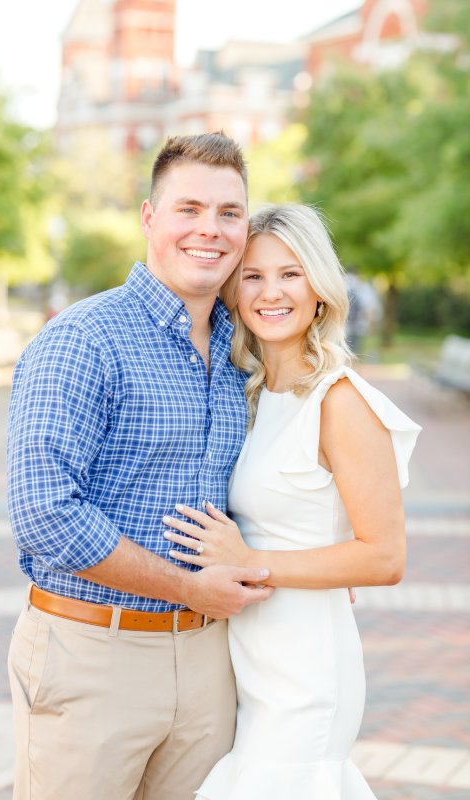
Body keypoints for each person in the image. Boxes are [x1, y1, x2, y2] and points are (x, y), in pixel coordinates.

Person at [6, 132, 273, 800]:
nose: (209, 230)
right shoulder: (82, 339)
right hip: (93, 654)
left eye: (229, 213)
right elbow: (45, 515)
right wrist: (187, 588)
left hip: (212, 661)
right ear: (150, 219)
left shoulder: (240, 351)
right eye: (189, 209)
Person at [163, 203, 422, 799]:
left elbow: (384, 558)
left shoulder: (341, 402)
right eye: (252, 276)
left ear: (321, 291)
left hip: (305, 669)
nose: (270, 292)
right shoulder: (250, 396)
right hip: (251, 661)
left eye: (291, 273)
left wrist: (249, 560)